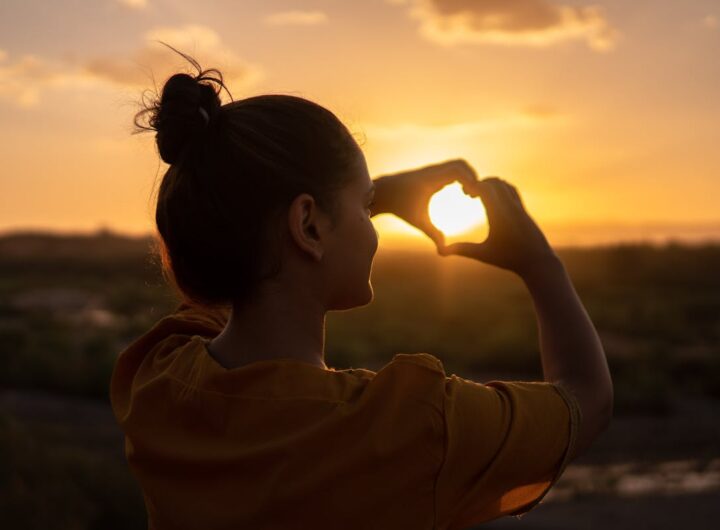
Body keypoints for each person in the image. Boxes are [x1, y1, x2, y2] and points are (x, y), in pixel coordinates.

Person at [110, 46, 613, 530]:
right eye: (365, 206)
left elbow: (237, 257)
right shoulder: (409, 427)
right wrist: (540, 263)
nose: (372, 224)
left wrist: (356, 198)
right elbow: (586, 399)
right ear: (307, 225)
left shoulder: (158, 379)